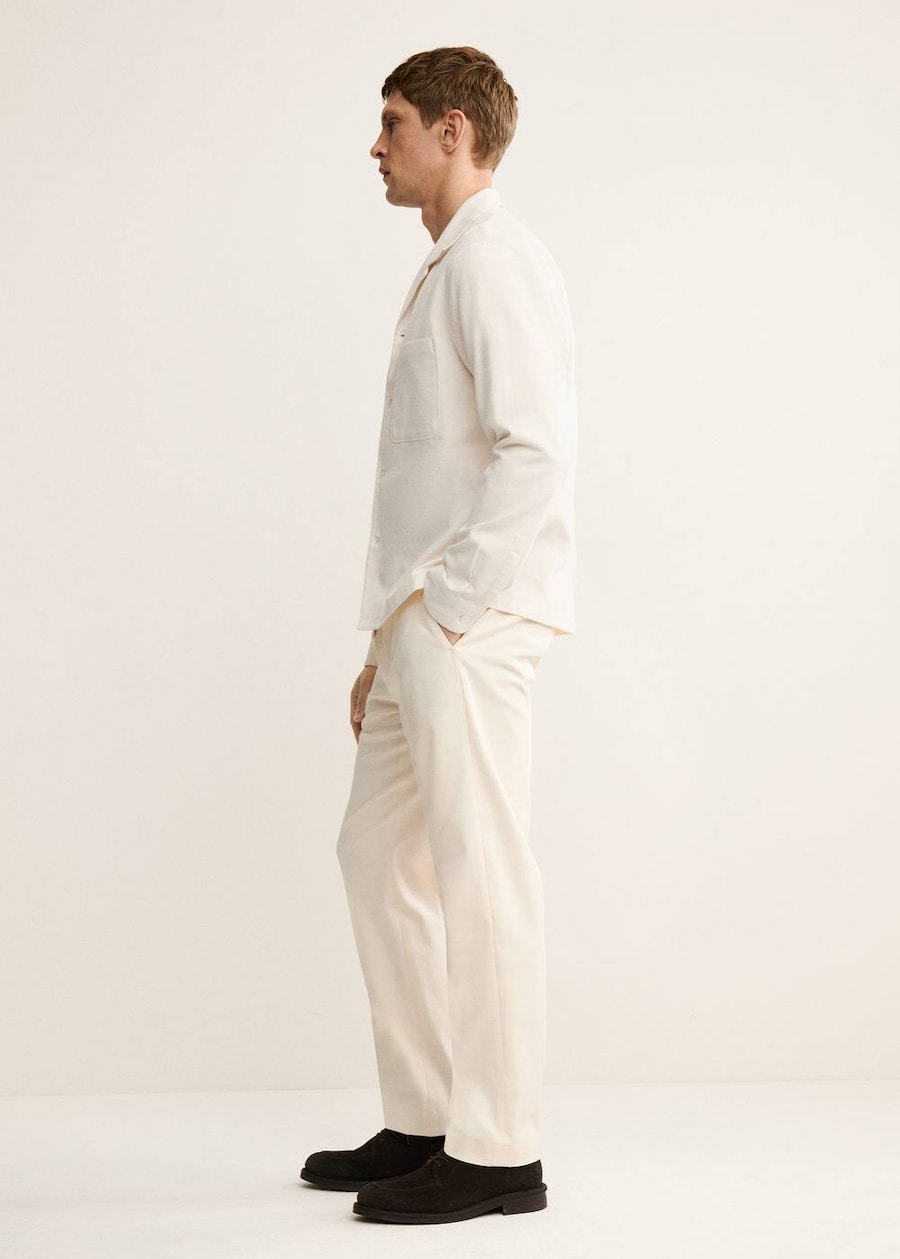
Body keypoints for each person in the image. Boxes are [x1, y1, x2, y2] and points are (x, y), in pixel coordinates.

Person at [300, 45, 577, 1225]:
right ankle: (424, 1114)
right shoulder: (450, 263)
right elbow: (427, 471)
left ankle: (501, 1146)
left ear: (454, 131)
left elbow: (536, 449)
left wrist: (451, 608)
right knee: (375, 851)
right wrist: (385, 640)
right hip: (417, 621)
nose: (378, 145)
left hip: (466, 618)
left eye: (395, 123)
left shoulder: (495, 261)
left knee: (481, 866)